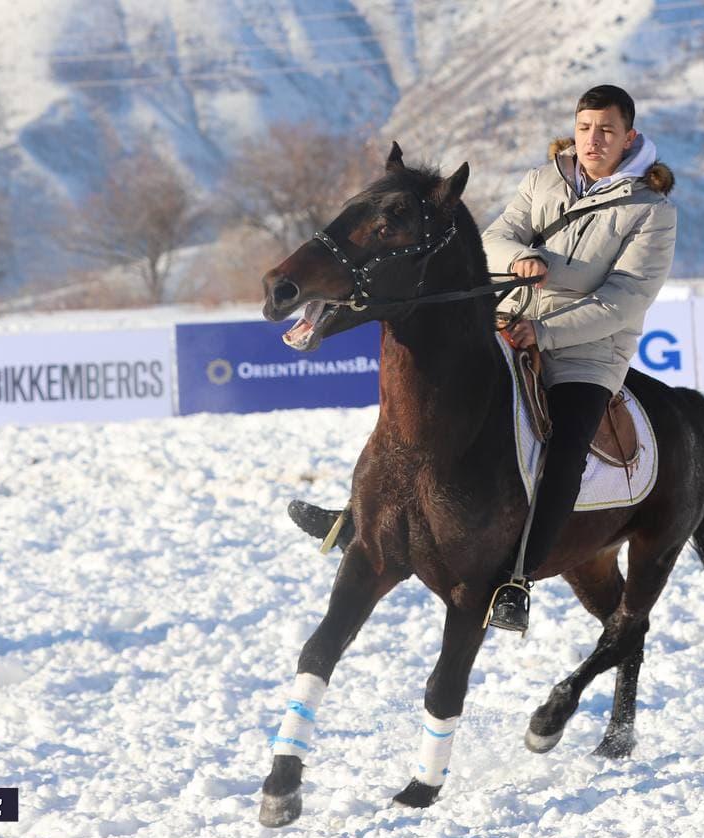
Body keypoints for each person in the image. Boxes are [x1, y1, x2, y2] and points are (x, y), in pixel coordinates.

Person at [290, 84, 677, 632]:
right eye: (585, 127)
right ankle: (359, 517)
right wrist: (521, 259)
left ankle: (516, 579)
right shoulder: (544, 180)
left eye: (607, 130)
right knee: (424, 399)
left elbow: (624, 300)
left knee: (566, 449)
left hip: (588, 350)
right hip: (509, 324)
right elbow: (494, 239)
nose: (593, 139)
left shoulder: (651, 212)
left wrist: (544, 328)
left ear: (629, 137)